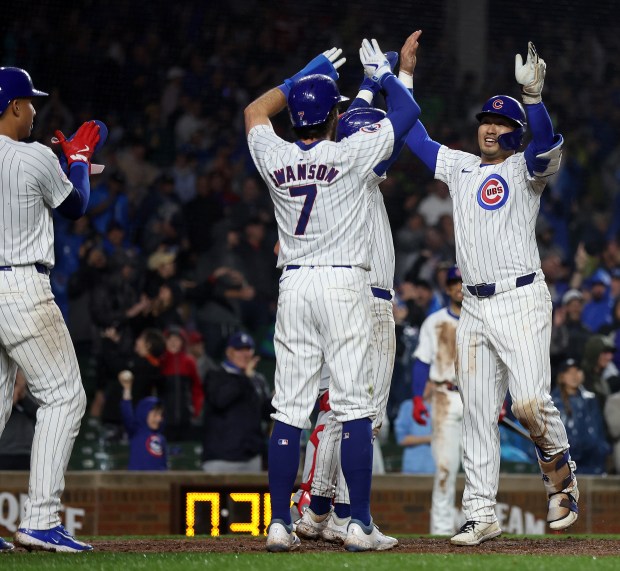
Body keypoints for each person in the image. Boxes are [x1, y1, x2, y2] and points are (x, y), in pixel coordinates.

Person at [245, 34, 420, 552]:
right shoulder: (351, 155)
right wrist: (386, 77)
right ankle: (359, 523)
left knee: (289, 407)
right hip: (344, 281)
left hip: (294, 281)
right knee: (353, 408)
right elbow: (407, 113)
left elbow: (255, 111)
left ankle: (279, 522)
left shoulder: (274, 154)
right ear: (333, 118)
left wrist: (299, 76)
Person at [406, 42, 579, 545]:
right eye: (485, 119)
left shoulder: (526, 170)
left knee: (527, 402)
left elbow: (545, 143)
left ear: (515, 132)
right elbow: (415, 138)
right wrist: (403, 78)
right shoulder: (460, 168)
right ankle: (480, 513)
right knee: (478, 415)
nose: (489, 126)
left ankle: (560, 468)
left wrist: (532, 96)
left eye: (501, 122)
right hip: (475, 307)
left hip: (521, 298)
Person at [0, 67, 103, 553]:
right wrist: (78, 160)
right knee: (64, 396)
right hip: (20, 285)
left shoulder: (36, 157)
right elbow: (76, 206)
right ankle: (40, 520)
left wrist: (68, 163)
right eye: (30, 102)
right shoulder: (34, 155)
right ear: (14, 107)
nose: (35, 110)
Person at [410, 264, 464, 535]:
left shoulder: (482, 319)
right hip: (444, 395)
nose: (459, 286)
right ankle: (442, 533)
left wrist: (500, 401)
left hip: (477, 397)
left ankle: (477, 526)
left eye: (463, 281)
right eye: (454, 282)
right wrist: (418, 399)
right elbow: (422, 362)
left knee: (480, 471)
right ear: (447, 288)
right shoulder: (434, 321)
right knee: (445, 469)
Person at [202, 331, 274, 473]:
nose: (245, 354)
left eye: (248, 350)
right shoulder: (215, 375)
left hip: (251, 458)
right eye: (239, 350)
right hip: (220, 458)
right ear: (229, 352)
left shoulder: (257, 380)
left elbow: (265, 413)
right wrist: (245, 378)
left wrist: (276, 400)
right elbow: (220, 400)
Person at [551, 358, 610, 475]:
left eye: (577, 370)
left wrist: (601, 449)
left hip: (591, 461)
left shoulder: (590, 399)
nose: (574, 375)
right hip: (563, 461)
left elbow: (598, 430)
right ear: (562, 377)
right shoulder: (552, 402)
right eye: (568, 372)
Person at [118, 370, 168, 470]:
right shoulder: (136, 431)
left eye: (160, 415)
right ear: (144, 414)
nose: (159, 419)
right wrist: (127, 389)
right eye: (154, 415)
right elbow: (126, 412)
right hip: (136, 483)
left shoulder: (161, 439)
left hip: (158, 484)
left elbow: (164, 465)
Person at [0, 369, 38, 470]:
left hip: (26, 453)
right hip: (3, 452)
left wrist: (21, 392)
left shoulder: (30, 392)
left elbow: (40, 414)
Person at [394, 383, 435, 474]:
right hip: (412, 470)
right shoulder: (408, 406)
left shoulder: (443, 407)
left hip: (438, 470)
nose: (422, 386)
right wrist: (430, 438)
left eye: (426, 382)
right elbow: (401, 439)